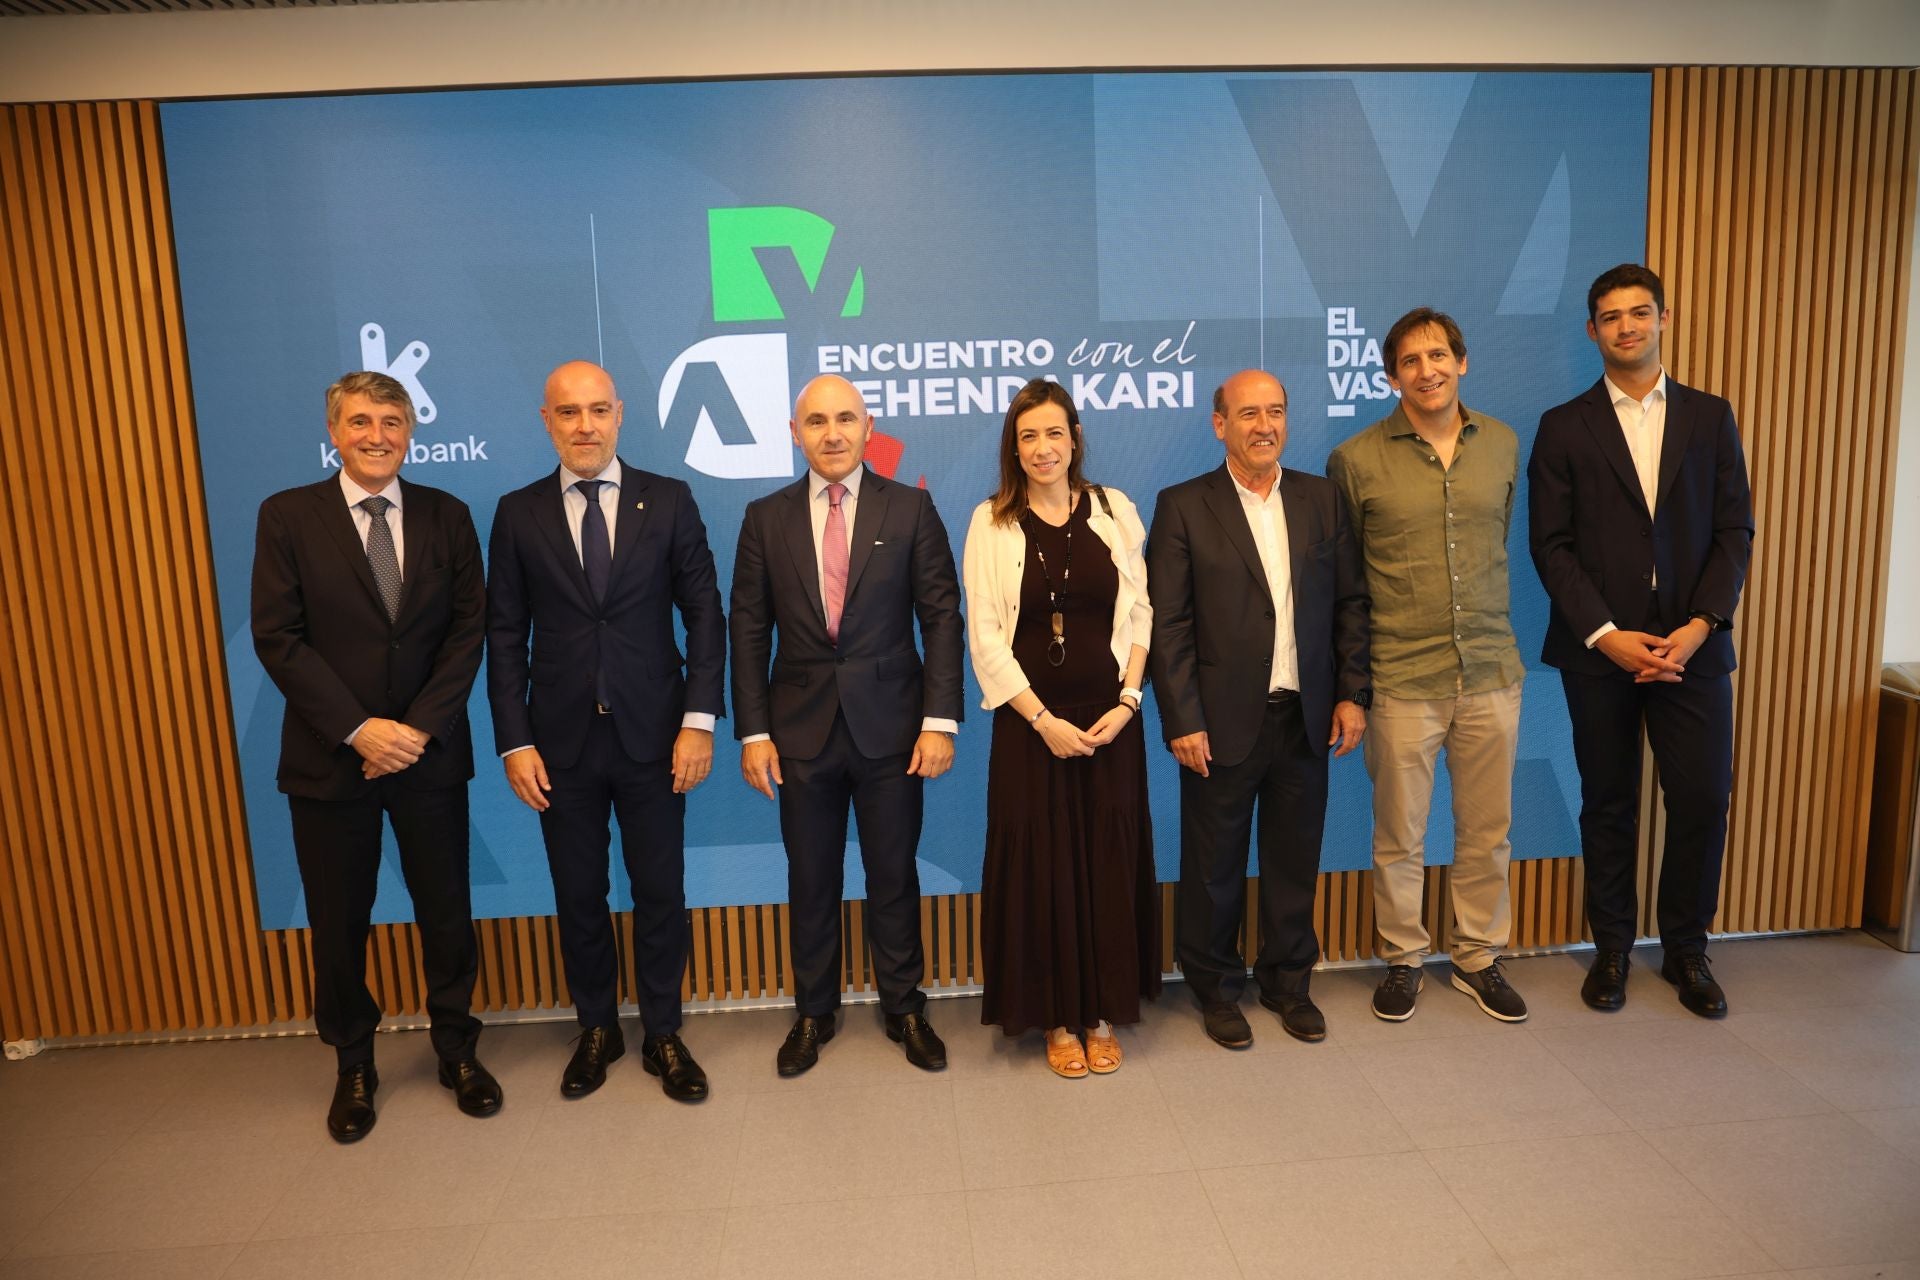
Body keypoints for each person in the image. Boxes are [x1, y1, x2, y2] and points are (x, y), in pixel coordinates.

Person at [251, 370, 498, 1142]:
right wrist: (361, 729)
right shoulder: (289, 517)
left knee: (447, 914)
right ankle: (353, 1062)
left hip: (428, 756)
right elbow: (277, 639)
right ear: (335, 431)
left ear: (410, 431)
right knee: (338, 920)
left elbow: (468, 632)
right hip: (332, 762)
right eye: (361, 422)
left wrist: (415, 730)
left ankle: (457, 1047)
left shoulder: (447, 515)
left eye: (392, 422)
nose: (378, 436)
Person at [486, 360, 725, 1101]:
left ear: (620, 414)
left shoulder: (671, 500)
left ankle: (662, 1031)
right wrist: (514, 740)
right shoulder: (517, 512)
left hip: (657, 739)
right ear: (546, 420)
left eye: (596, 410)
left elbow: (705, 617)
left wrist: (698, 722)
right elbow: (503, 635)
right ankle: (597, 1027)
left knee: (661, 889)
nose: (584, 426)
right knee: (578, 893)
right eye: (567, 413)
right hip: (559, 747)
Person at [1529, 264, 1754, 1018]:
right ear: (1592, 331)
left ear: (1664, 318)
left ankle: (1687, 949)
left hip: (1694, 649)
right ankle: (1614, 950)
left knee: (1700, 798)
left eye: (1639, 312)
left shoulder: (1711, 417)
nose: (1626, 325)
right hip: (1600, 654)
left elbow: (1734, 533)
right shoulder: (1564, 425)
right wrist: (1606, 635)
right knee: (1610, 801)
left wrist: (1699, 628)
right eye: (1610, 316)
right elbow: (1550, 544)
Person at [730, 374, 964, 1076]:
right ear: (795, 432)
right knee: (811, 877)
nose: (831, 433)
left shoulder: (913, 509)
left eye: (845, 420)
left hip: (895, 729)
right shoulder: (763, 518)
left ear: (869, 428)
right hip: (798, 731)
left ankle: (903, 1008)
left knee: (892, 872)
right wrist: (753, 732)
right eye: (816, 421)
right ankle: (814, 1012)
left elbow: (940, 618)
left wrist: (940, 720)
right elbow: (746, 629)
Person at [1147, 369, 1370, 1049]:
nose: (1263, 425)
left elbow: (1351, 605)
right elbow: (1170, 625)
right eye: (1248, 414)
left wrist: (1353, 695)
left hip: (1305, 716)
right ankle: (1215, 987)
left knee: (1293, 859)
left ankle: (1287, 982)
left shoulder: (1322, 499)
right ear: (1220, 424)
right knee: (1212, 866)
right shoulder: (1184, 505)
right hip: (1216, 723)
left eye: (1275, 411)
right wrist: (1182, 718)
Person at [1327, 308, 1528, 1023]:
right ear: (1391, 376)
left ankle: (1477, 958)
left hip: (1490, 671)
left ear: (1462, 362)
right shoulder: (1355, 460)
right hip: (1402, 679)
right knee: (1399, 837)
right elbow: (1347, 583)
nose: (1427, 370)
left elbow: (1495, 540)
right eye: (1410, 361)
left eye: (1439, 355)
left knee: (1486, 830)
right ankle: (1404, 960)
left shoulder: (1502, 444)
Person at [961, 378, 1159, 1078]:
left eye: (1053, 433)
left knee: (1106, 860)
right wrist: (1042, 720)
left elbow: (1141, 613)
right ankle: (1054, 1017)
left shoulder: (1115, 509)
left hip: (1111, 723)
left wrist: (1130, 700)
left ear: (1074, 437)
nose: (1042, 448)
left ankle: (1103, 1012)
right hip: (1029, 729)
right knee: (1043, 868)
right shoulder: (991, 521)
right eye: (1027, 437)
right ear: (1013, 450)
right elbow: (985, 637)